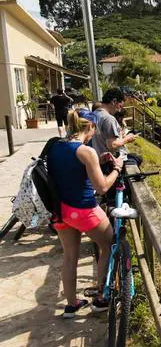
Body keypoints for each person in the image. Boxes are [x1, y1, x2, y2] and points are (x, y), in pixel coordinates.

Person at [48, 109, 124, 317]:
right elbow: (101, 188)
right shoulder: (85, 151)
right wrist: (117, 168)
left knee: (70, 256)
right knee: (109, 245)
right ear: (89, 127)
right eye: (94, 130)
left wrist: (97, 161)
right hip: (82, 210)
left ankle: (71, 305)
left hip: (61, 212)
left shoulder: (55, 146)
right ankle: (101, 298)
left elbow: (70, 169)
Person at [92, 88, 138, 159]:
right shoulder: (109, 118)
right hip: (107, 162)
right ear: (114, 101)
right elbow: (112, 145)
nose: (119, 110)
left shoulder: (94, 114)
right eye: (120, 106)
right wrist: (127, 139)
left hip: (96, 159)